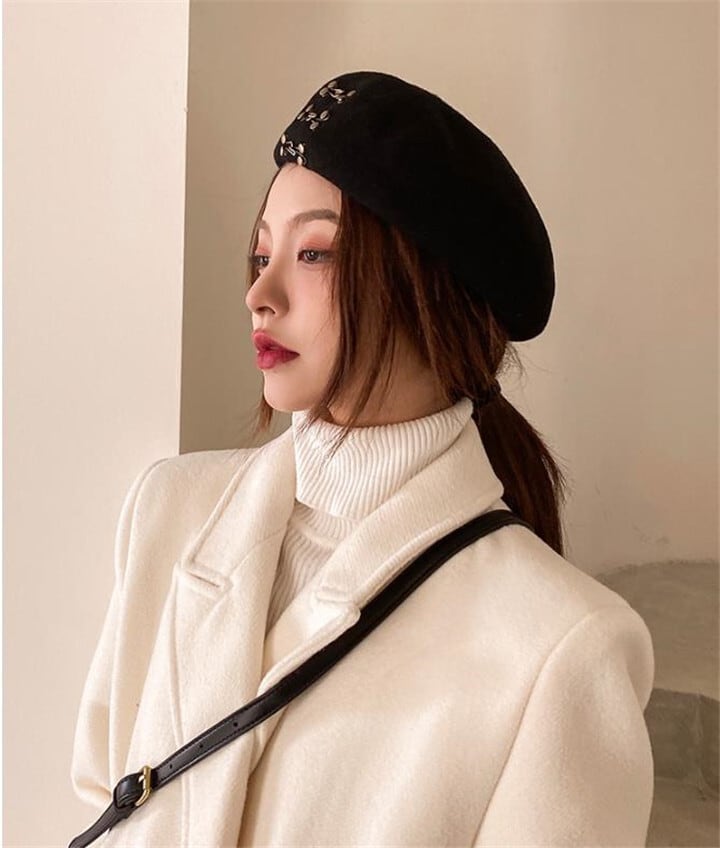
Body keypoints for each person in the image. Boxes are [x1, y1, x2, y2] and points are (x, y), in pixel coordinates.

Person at [70, 71, 655, 847]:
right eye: (261, 253)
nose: (260, 293)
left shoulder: (563, 648)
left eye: (314, 253)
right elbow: (101, 807)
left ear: (430, 291)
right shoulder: (168, 511)